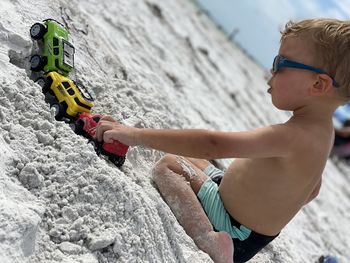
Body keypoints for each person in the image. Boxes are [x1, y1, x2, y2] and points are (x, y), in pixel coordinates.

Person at [95, 19, 350, 263]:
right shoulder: (322, 134)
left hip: (233, 229)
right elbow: (312, 189)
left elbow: (212, 143)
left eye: (281, 63)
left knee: (169, 165)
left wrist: (133, 135)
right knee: (194, 160)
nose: (271, 70)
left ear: (318, 84)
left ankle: (210, 239)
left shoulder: (292, 135)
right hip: (249, 230)